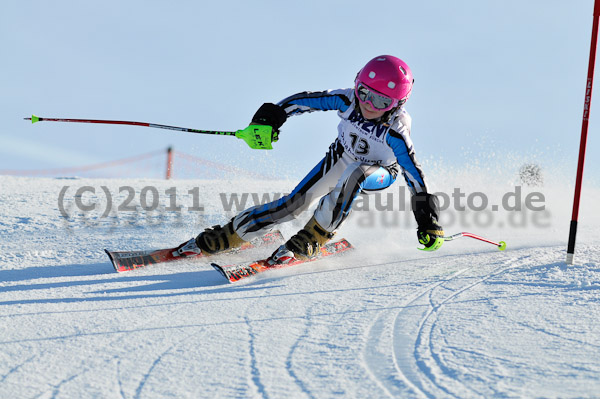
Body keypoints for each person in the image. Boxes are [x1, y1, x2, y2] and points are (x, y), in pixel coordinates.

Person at [176, 55, 444, 264]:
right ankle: (231, 233)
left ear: (397, 104)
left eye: (381, 101)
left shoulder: (396, 132)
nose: (369, 105)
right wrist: (273, 117)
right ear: (356, 85)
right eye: (364, 93)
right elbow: (304, 101)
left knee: (356, 175)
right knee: (293, 204)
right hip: (342, 154)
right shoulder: (347, 100)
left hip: (380, 170)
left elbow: (414, 175)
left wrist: (427, 220)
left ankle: (315, 234)